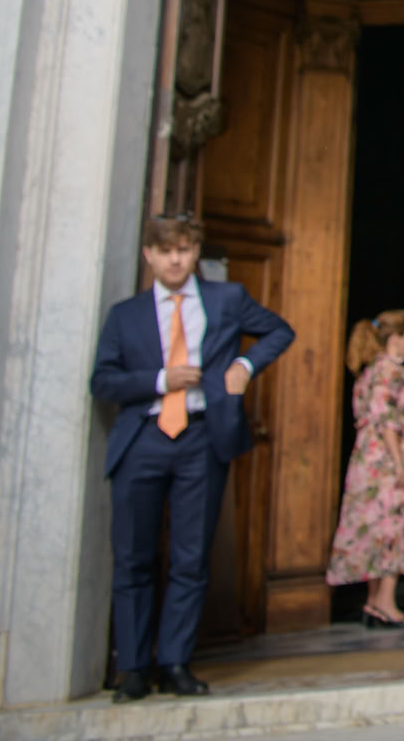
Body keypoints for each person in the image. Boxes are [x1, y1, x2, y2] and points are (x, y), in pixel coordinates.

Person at [91, 213, 295, 701]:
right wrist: (162, 380)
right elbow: (103, 381)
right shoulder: (126, 315)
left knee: (190, 556)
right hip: (143, 437)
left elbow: (279, 331)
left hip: (202, 438)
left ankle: (176, 661)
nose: (175, 259)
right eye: (165, 251)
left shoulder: (227, 299)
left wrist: (245, 366)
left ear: (195, 251)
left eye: (183, 250)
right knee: (134, 558)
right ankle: (135, 669)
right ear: (149, 256)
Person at [326, 310, 404, 625]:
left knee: (374, 523)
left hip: (366, 459)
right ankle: (386, 601)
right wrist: (400, 462)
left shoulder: (370, 371)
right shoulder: (390, 371)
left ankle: (374, 601)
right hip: (385, 458)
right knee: (393, 524)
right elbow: (385, 419)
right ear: (396, 338)